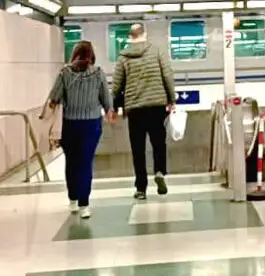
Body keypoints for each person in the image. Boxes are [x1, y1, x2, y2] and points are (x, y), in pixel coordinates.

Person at [45, 40, 114, 219]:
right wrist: (109, 113)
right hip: (91, 125)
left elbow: (54, 99)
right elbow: (106, 100)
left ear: (74, 54)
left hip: (70, 125)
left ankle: (73, 199)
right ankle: (84, 204)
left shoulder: (64, 73)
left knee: (72, 162)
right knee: (85, 163)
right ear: (91, 55)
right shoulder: (98, 73)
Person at [112, 23, 176, 200]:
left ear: (130, 37)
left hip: (134, 108)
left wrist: (113, 107)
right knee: (158, 143)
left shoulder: (123, 57)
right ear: (144, 34)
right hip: (156, 106)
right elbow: (168, 76)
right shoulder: (156, 51)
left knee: (137, 149)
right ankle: (160, 172)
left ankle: (141, 188)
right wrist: (172, 99)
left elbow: (116, 85)